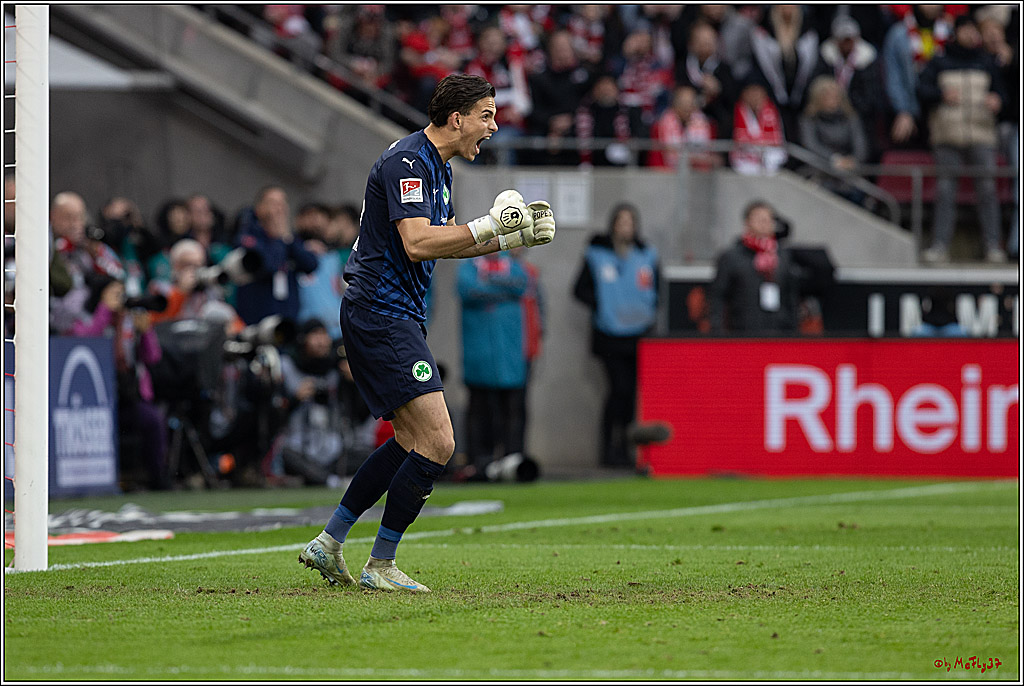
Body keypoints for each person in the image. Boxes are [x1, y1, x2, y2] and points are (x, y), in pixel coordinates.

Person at [299, 74, 557, 593]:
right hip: (381, 311)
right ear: (457, 118)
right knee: (439, 441)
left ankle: (330, 541)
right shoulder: (408, 163)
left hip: (394, 314)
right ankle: (381, 564)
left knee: (410, 440)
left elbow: (448, 243)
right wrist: (488, 226)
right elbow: (417, 243)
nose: (494, 126)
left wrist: (508, 239)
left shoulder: (438, 168)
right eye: (486, 115)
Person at [573, 203, 658, 470]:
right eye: (621, 222)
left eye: (630, 222)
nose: (626, 227)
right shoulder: (597, 254)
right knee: (617, 390)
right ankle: (609, 447)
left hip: (638, 334)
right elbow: (579, 290)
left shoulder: (646, 254)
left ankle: (626, 448)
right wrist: (603, 305)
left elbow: (658, 290)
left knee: (630, 395)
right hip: (609, 335)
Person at [917, 15, 1007, 264]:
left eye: (973, 30)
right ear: (956, 33)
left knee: (987, 190)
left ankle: (993, 246)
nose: (971, 35)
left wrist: (997, 100)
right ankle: (940, 246)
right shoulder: (940, 61)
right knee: (945, 191)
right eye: (966, 30)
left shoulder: (986, 61)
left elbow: (1004, 94)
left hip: (981, 133)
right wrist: (941, 95)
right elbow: (922, 90)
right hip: (947, 135)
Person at [71, 274, 169, 490]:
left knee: (153, 420)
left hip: (127, 394)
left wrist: (146, 332)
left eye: (122, 294)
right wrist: (105, 311)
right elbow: (84, 342)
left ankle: (157, 477)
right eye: (115, 294)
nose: (120, 299)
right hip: (94, 396)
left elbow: (152, 357)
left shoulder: (128, 323)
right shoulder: (87, 316)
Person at [455, 251, 528, 480]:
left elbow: (520, 284)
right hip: (479, 356)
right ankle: (479, 464)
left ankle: (512, 463)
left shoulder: (512, 264)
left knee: (512, 412)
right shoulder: (469, 266)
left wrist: (489, 282)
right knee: (479, 412)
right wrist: (503, 290)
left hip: (509, 356)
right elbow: (469, 290)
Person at [708, 199, 801, 335]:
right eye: (759, 219)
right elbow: (718, 296)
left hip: (779, 331)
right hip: (742, 331)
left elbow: (791, 296)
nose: (764, 223)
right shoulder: (731, 257)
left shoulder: (783, 255)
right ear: (747, 223)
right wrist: (718, 331)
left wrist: (793, 330)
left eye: (768, 219)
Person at [234, 185, 320, 325]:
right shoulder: (249, 237)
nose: (279, 209)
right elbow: (269, 265)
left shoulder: (289, 238)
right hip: (256, 316)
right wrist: (280, 239)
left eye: (283, 203)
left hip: (286, 317)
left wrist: (287, 239)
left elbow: (311, 264)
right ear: (259, 208)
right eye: (273, 203)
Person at [798, 75, 869, 204]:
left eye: (835, 96)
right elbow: (810, 144)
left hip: (849, 172)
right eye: (827, 97)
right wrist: (834, 159)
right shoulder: (809, 119)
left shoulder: (850, 117)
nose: (832, 100)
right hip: (821, 170)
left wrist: (853, 160)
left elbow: (860, 145)